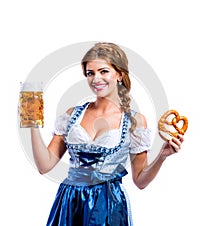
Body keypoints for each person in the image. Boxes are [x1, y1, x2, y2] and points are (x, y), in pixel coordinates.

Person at [30, 42, 184, 226]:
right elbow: (44, 166)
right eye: (90, 73)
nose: (96, 79)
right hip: (70, 203)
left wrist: (162, 156)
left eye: (103, 71)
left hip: (109, 206)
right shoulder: (72, 115)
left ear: (119, 74)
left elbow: (140, 181)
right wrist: (32, 124)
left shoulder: (134, 122)